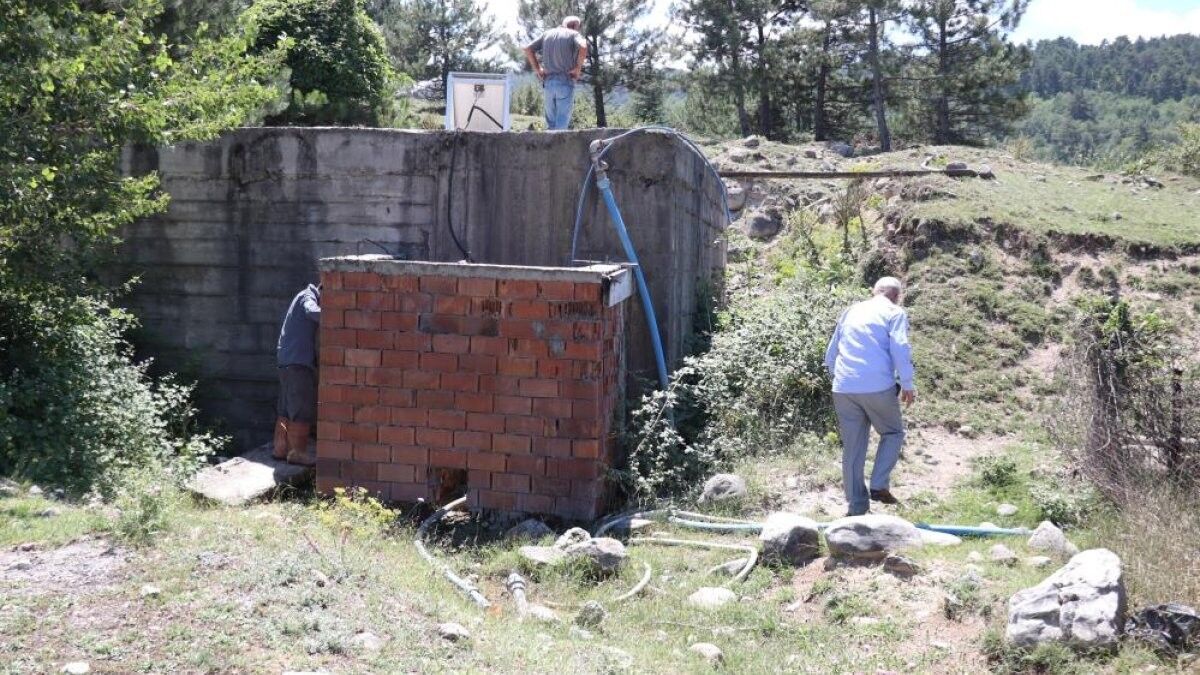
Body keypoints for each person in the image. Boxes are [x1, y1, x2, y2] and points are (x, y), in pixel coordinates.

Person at [824, 276, 917, 517]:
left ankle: (856, 507)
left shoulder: (851, 310)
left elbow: (831, 354)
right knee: (892, 432)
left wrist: (842, 377)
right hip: (878, 385)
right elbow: (900, 347)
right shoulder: (894, 313)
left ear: (874, 292)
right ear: (896, 296)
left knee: (853, 448)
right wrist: (907, 383)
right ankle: (878, 484)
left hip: (843, 387)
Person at [274, 283, 321, 466]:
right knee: (301, 409)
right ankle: (298, 453)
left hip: (287, 361)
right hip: (298, 363)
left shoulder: (301, 296)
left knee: (286, 409)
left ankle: (280, 449)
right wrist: (338, 316)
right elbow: (312, 311)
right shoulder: (308, 296)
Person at [523, 16, 588, 131]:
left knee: (551, 125)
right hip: (565, 82)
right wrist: (578, 69)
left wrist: (538, 70)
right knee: (561, 126)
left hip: (548, 83)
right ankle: (559, 143)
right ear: (574, 26)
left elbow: (528, 49)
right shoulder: (574, 34)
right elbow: (583, 46)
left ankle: (550, 143)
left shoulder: (547, 34)